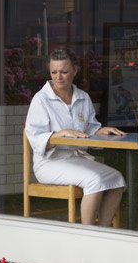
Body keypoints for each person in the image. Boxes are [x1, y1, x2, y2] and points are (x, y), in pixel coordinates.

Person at [24, 48, 126, 226]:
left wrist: (101, 131)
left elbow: (90, 128)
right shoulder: (41, 99)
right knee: (94, 179)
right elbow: (34, 137)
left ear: (74, 71)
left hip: (77, 159)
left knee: (117, 179)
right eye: (54, 72)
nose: (58, 77)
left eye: (63, 72)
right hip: (50, 163)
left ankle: (103, 231)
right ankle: (87, 234)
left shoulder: (83, 98)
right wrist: (59, 134)